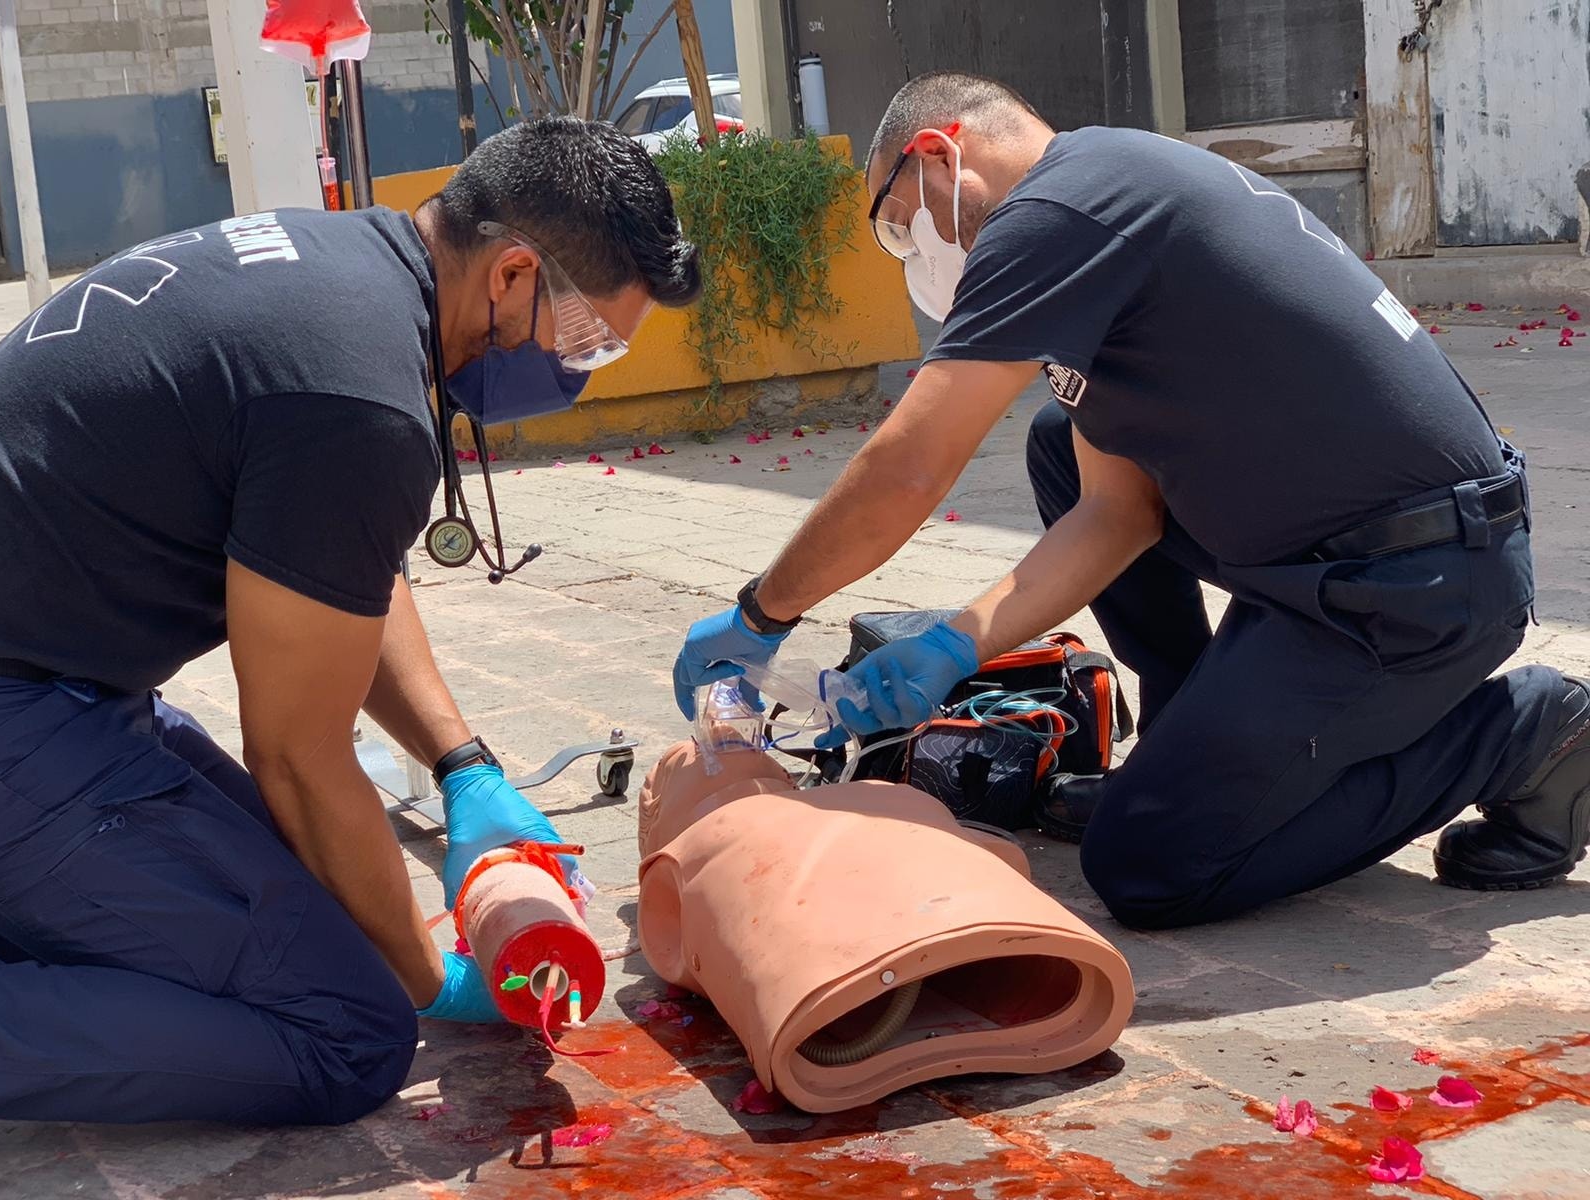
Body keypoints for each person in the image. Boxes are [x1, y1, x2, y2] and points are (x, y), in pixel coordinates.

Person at [671, 72, 1589, 931]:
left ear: (939, 154)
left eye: (902, 225)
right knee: (1058, 444)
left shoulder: (1055, 213)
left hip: (1411, 585)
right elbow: (1117, 512)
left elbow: (908, 469)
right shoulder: (1101, 196)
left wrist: (762, 613)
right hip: (1335, 553)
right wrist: (956, 644)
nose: (915, 255)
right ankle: (1190, 724)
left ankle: (1521, 733)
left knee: (1151, 865)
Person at [0, 117, 699, 1124]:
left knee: (322, 901)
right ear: (510, 276)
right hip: (18, 711)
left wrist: (465, 769)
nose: (578, 368)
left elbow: (339, 569)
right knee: (348, 1027)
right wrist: (428, 978)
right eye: (587, 338)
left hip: (56, 684)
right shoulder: (355, 394)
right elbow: (296, 757)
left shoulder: (343, 276)